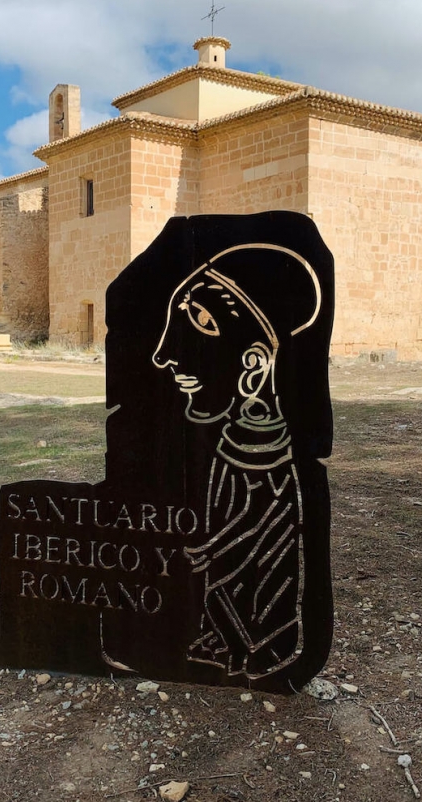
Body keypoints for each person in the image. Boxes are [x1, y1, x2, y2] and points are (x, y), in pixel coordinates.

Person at [152, 243, 321, 680]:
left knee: (246, 594)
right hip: (228, 557)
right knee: (221, 593)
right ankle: (220, 640)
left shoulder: (266, 444)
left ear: (254, 363)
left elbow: (260, 516)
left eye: (201, 322)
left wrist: (212, 548)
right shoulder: (233, 434)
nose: (163, 354)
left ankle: (255, 649)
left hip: (255, 563)